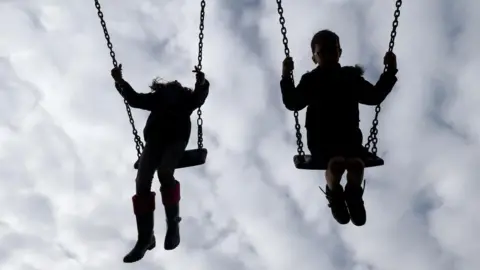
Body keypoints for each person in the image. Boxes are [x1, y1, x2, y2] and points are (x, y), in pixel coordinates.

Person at [280, 29, 398, 226]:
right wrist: (286, 75)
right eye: (322, 51)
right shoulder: (311, 81)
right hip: (321, 140)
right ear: (314, 58)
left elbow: (374, 96)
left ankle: (353, 195)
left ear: (339, 52)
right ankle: (335, 194)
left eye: (332, 50)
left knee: (356, 165)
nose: (328, 55)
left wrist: (390, 71)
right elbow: (293, 102)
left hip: (349, 138)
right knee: (335, 164)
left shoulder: (350, 77)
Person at [111, 64, 210, 262]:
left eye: (176, 86)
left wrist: (201, 82)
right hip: (155, 140)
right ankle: (145, 238)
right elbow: (135, 99)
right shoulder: (157, 99)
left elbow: (200, 97)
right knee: (141, 182)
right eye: (170, 86)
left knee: (165, 172)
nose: (174, 86)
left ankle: (173, 224)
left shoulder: (186, 100)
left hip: (176, 140)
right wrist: (120, 81)